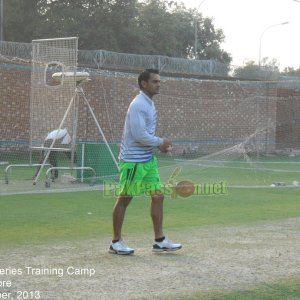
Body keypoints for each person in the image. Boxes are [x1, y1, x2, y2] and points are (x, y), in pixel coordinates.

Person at [109, 69, 182, 255]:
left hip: (147, 161)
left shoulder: (149, 103)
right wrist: (161, 142)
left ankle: (160, 240)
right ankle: (116, 242)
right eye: (155, 81)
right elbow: (139, 134)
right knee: (125, 200)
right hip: (132, 162)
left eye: (159, 81)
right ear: (144, 83)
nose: (159, 84)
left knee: (158, 196)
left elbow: (145, 135)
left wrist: (159, 146)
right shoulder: (138, 104)